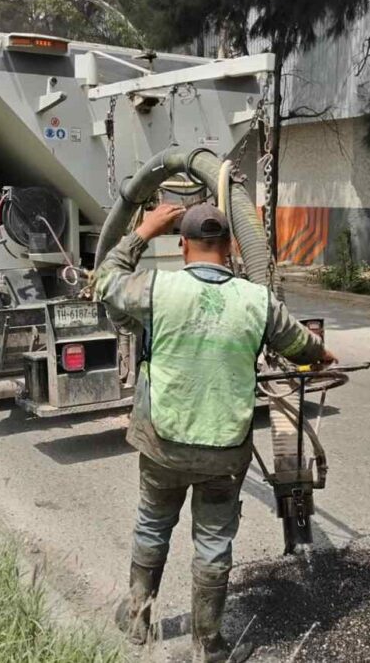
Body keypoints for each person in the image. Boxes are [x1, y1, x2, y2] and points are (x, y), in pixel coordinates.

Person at [93, 202, 336, 662]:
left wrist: (143, 230)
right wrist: (323, 355)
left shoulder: (156, 289)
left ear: (182, 244)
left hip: (162, 445)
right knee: (214, 541)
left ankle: (139, 623)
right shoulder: (256, 300)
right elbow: (300, 344)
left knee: (152, 524)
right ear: (229, 247)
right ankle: (209, 643)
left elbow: (104, 281)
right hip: (224, 453)